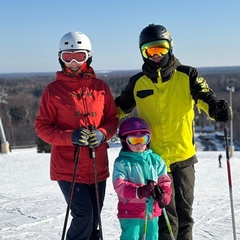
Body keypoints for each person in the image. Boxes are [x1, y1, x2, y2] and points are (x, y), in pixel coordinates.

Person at [115, 24, 232, 240]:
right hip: (155, 160)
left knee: (185, 214)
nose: (157, 55)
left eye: (161, 48)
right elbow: (120, 107)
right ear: (143, 52)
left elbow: (205, 96)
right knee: (165, 218)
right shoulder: (137, 82)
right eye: (150, 51)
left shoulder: (187, 75)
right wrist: (99, 122)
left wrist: (217, 109)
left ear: (170, 47)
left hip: (183, 156)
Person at [35, 31, 118, 240]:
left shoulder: (100, 88)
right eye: (67, 57)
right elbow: (42, 127)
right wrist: (71, 136)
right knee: (84, 215)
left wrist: (101, 134)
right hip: (67, 167)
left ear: (89, 56)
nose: (73, 62)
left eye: (79, 56)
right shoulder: (53, 91)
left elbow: (112, 120)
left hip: (96, 165)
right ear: (60, 58)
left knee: (94, 218)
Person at [112, 117, 172, 240]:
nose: (139, 145)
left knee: (152, 237)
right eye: (134, 141)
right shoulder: (122, 162)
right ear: (124, 141)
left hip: (152, 211)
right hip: (130, 212)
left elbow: (164, 181)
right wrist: (138, 191)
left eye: (143, 139)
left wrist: (164, 194)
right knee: (131, 237)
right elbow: (119, 185)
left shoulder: (156, 160)